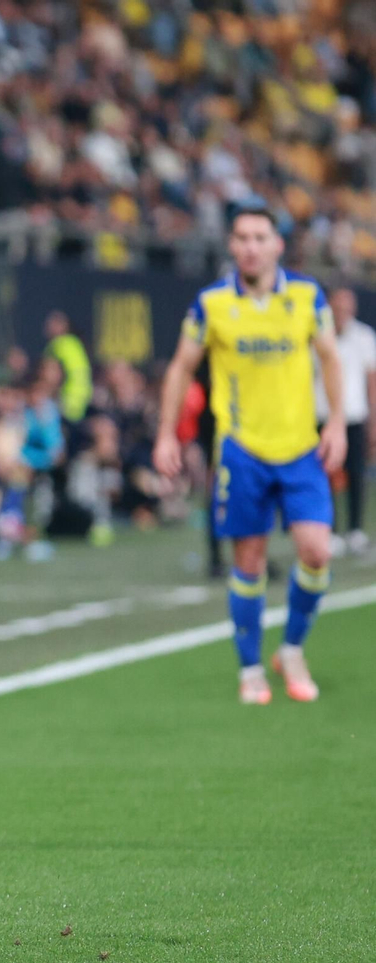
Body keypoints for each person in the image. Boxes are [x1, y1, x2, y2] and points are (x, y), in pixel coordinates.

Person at [153, 205, 345, 705]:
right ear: (232, 246)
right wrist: (166, 435)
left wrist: (339, 422)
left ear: (278, 244)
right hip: (242, 451)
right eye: (241, 238)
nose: (251, 246)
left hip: (301, 447)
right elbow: (179, 369)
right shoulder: (211, 304)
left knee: (317, 552)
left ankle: (293, 648)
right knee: (250, 558)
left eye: (260, 237)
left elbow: (328, 356)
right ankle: (251, 668)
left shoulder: (306, 295)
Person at [318, 286, 376, 555]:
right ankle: (329, 530)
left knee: (356, 474)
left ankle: (354, 529)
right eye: (337, 306)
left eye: (346, 306)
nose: (342, 311)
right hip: (322, 417)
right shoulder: (317, 334)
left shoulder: (364, 336)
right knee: (324, 476)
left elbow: (371, 381)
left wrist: (373, 420)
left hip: (354, 416)